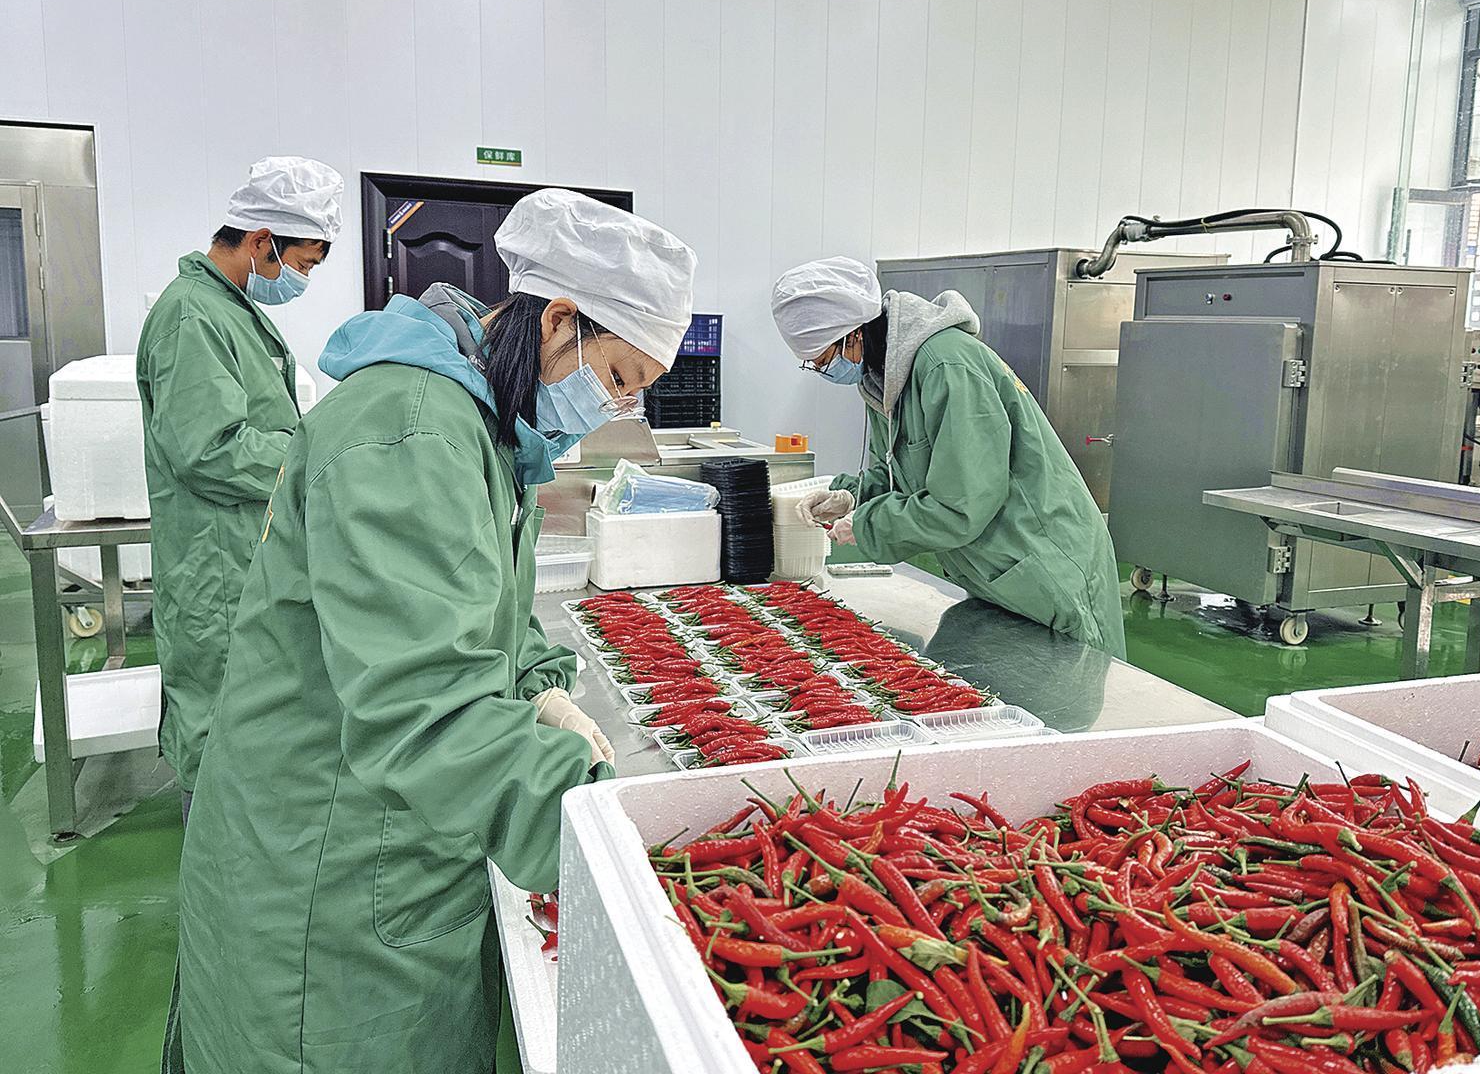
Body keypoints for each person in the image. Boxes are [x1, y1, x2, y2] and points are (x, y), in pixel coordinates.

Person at [172, 189, 696, 1073]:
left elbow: (478, 610)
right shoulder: (409, 430)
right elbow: (424, 706)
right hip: (328, 861)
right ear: (559, 320)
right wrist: (603, 840)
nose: (613, 410)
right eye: (617, 379)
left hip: (386, 829)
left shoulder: (478, 421)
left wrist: (538, 686)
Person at [771, 256, 1126, 658]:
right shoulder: (883, 377)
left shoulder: (946, 366)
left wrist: (868, 526)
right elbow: (899, 474)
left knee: (1073, 684)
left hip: (1049, 568)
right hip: (1001, 572)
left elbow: (962, 505)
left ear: (852, 335)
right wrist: (853, 497)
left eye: (822, 360)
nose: (823, 370)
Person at [136, 155, 343, 818]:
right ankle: (212, 856)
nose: (303, 279)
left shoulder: (228, 308)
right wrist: (316, 455)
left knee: (251, 715)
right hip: (215, 561)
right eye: (302, 263)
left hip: (241, 549)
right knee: (218, 714)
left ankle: (240, 845)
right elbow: (209, 447)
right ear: (260, 241)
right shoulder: (192, 315)